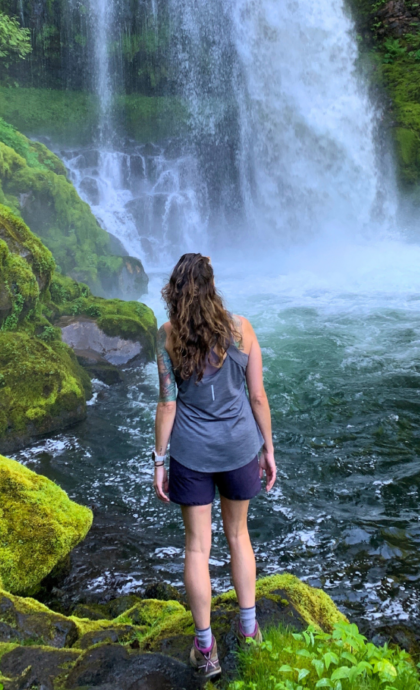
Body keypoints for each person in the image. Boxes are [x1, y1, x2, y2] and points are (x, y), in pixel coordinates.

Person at [152, 252, 277, 680]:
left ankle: (206, 650)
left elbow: (167, 404)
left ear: (175, 291)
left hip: (191, 454)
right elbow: (257, 396)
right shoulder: (241, 331)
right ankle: (249, 630)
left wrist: (158, 461)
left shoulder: (168, 336)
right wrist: (268, 449)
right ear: (212, 287)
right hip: (240, 449)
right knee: (239, 536)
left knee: (197, 548)